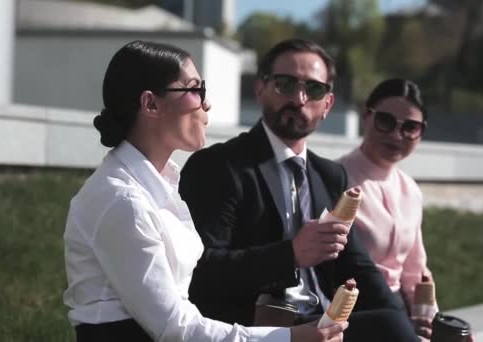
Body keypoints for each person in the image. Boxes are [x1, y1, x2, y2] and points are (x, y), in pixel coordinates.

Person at [62, 40, 347, 342]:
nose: (206, 103)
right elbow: (174, 328)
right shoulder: (122, 199)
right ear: (151, 104)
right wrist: (288, 338)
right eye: (195, 90)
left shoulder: (159, 186)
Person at [179, 39, 419, 342]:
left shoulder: (331, 176)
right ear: (260, 88)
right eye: (285, 84)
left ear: (328, 104)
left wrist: (410, 329)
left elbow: (359, 268)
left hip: (326, 324)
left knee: (394, 326)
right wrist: (290, 255)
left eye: (314, 89)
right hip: (260, 328)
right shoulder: (219, 166)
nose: (299, 98)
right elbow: (201, 271)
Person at [337, 78, 435, 339]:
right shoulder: (336, 179)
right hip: (351, 313)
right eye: (385, 121)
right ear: (366, 117)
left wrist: (430, 322)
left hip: (397, 312)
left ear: (421, 132)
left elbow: (416, 273)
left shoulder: (410, 189)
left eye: (410, 127)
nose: (396, 135)